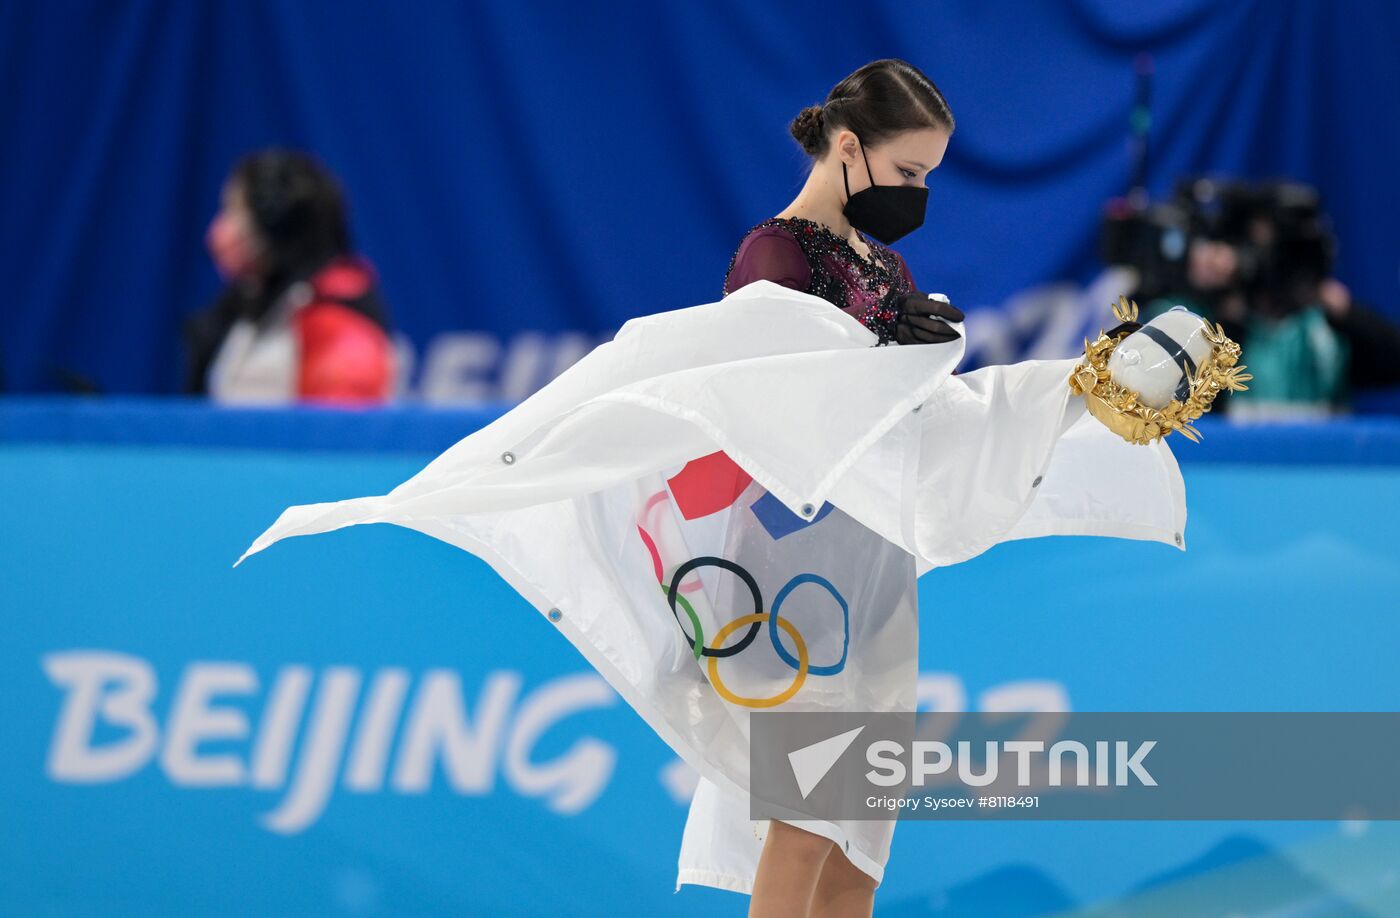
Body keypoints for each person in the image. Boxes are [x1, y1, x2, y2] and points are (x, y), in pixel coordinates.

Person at [236, 61, 1193, 918]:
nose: (918, 195)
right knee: (811, 803)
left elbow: (904, 415)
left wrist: (1060, 394)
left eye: (929, 178)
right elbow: (787, 407)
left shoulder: (883, 266)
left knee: (860, 823)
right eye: (908, 173)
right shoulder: (775, 259)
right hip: (779, 560)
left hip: (865, 562)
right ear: (849, 149)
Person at [182, 149, 396, 404]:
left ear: (272, 225)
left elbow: (336, 431)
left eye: (233, 210)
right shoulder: (239, 310)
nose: (220, 229)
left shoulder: (336, 325)